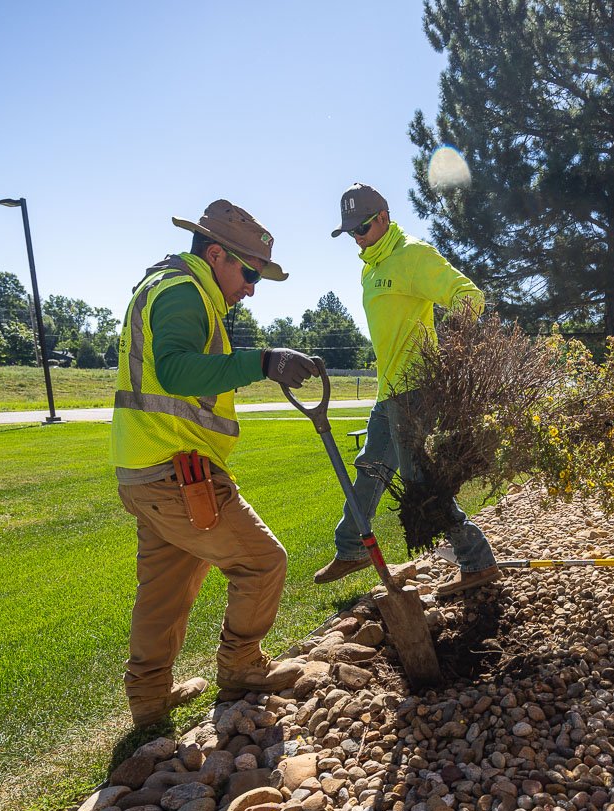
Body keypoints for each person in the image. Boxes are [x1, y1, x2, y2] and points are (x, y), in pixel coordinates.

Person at [111, 200, 322, 726]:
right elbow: (179, 373)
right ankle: (241, 665)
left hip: (145, 468)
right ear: (214, 254)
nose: (251, 287)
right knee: (262, 561)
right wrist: (264, 362)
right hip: (176, 471)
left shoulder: (164, 287)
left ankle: (150, 700)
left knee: (165, 589)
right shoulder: (185, 292)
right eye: (248, 272)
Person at [313, 183, 500, 596]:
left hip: (416, 393)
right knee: (370, 469)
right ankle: (351, 547)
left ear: (383, 217)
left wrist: (452, 350)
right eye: (350, 232)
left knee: (422, 487)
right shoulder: (370, 267)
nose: (356, 238)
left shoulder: (413, 255)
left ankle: (476, 561)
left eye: (361, 228)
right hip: (389, 392)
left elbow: (470, 296)